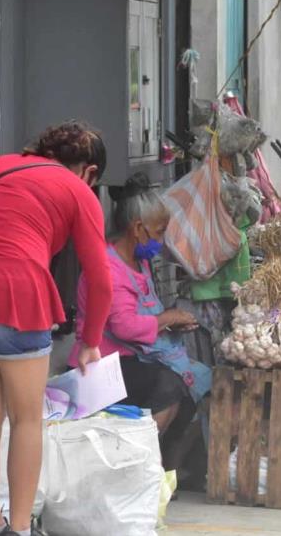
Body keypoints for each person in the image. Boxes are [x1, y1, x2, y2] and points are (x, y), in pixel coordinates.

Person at [0, 121, 113, 536]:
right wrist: (91, 341)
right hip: (20, 295)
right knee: (26, 421)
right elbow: (101, 279)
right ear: (89, 171)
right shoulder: (77, 191)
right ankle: (20, 529)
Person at [69, 173, 211, 465]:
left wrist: (170, 322)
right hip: (102, 363)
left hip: (134, 357)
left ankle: (166, 465)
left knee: (194, 380)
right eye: (159, 232)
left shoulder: (141, 262)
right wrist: (167, 317)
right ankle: (134, 464)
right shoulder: (109, 267)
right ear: (138, 228)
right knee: (169, 385)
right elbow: (124, 326)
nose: (161, 241)